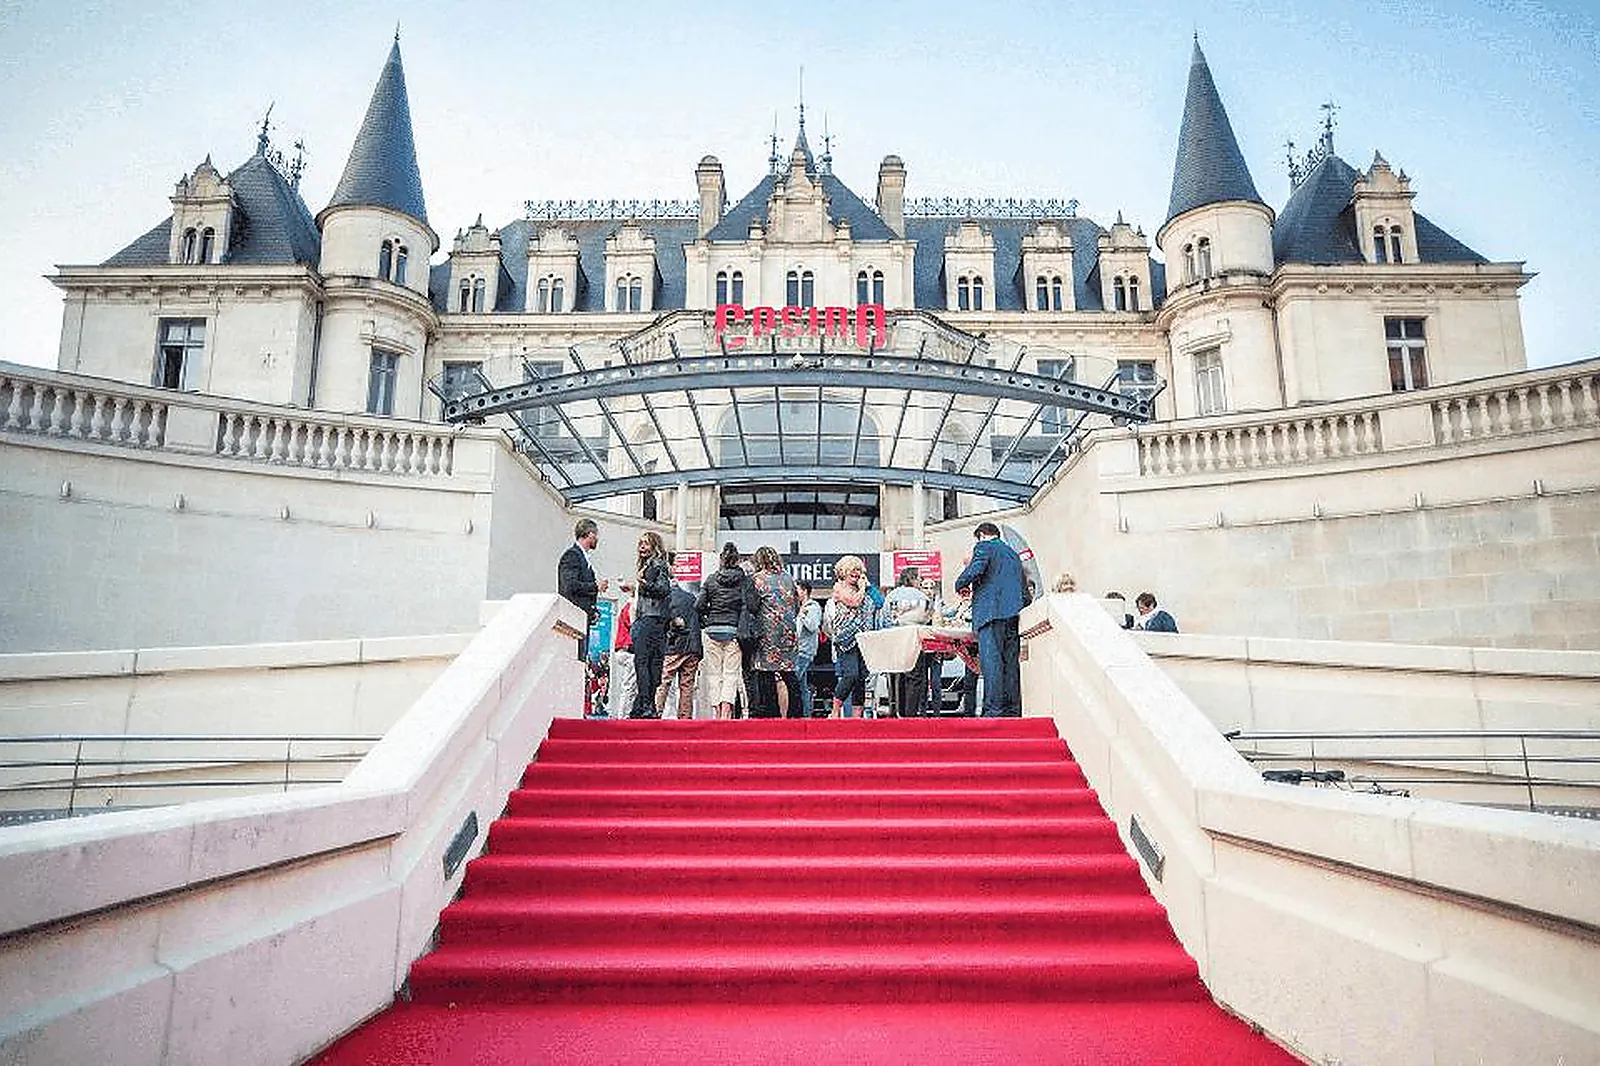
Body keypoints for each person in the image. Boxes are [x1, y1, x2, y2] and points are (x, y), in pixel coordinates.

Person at [953, 521, 1027, 717]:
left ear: (981, 535)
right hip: (1013, 615)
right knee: (1011, 665)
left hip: (990, 614)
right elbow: (1024, 589)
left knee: (991, 663)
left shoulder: (984, 546)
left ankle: (993, 711)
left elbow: (976, 569)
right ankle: (1012, 710)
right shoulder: (1012, 553)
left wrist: (960, 583)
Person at [695, 542, 758, 720]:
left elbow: (698, 605)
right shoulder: (745, 580)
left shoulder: (711, 579)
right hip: (733, 631)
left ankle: (716, 710)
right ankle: (726, 711)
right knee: (731, 674)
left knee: (714, 673)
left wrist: (708, 618)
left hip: (712, 630)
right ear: (737, 560)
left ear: (721, 559)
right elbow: (752, 605)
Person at [749, 546, 802, 718]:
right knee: (788, 672)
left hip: (767, 631)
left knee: (766, 672)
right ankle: (795, 712)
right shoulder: (788, 577)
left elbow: (752, 606)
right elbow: (796, 604)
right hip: (788, 631)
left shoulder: (757, 579)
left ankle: (770, 713)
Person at [824, 555, 877, 718]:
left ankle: (857, 716)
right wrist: (862, 589)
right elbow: (854, 602)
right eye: (852, 569)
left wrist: (868, 587)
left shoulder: (864, 589)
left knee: (861, 677)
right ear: (844, 571)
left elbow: (879, 602)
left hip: (863, 638)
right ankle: (834, 711)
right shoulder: (839, 588)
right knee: (851, 674)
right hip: (846, 638)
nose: (856, 572)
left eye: (858, 569)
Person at [629, 532, 673, 718]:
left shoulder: (655, 564)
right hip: (655, 619)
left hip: (648, 619)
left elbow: (663, 589)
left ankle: (645, 704)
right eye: (640, 543)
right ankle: (645, 704)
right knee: (653, 663)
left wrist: (643, 583)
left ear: (654, 545)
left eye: (646, 543)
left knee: (643, 662)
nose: (642, 547)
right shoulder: (654, 564)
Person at [883, 565, 933, 717]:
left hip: (896, 639)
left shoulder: (891, 596)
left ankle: (898, 712)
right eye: (919, 578)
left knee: (899, 676)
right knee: (915, 677)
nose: (920, 581)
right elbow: (927, 619)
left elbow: (884, 619)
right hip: (914, 640)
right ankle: (910, 714)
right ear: (912, 579)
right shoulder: (922, 597)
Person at [556, 518, 608, 662]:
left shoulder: (581, 557)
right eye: (596, 535)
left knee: (581, 658)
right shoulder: (572, 555)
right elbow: (570, 586)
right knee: (576, 659)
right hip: (574, 619)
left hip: (582, 618)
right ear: (589, 534)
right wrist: (596, 586)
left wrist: (592, 611)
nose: (597, 538)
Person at [656, 581, 702, 720]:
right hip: (693, 647)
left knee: (664, 681)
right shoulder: (691, 598)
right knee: (687, 684)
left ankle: (656, 712)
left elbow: (664, 624)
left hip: (674, 646)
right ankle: (685, 718)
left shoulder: (666, 599)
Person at [794, 579, 822, 717]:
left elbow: (813, 626)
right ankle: (806, 715)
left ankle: (799, 714)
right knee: (801, 686)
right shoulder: (798, 608)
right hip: (797, 651)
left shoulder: (813, 607)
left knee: (793, 682)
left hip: (804, 651)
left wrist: (803, 614)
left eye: (797, 590)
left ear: (804, 591)